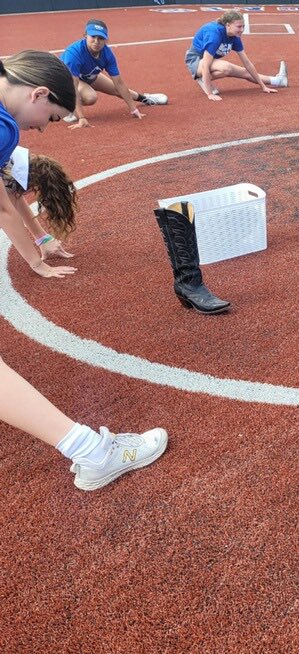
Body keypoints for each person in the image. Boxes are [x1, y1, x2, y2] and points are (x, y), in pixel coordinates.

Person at [0, 50, 167, 491]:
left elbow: (9, 197)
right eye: (51, 117)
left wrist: (40, 242)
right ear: (38, 93)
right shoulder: (4, 126)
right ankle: (93, 453)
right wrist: (36, 260)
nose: (41, 128)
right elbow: (3, 204)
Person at [61, 19, 168, 129]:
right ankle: (64, 105)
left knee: (116, 89)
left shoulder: (107, 54)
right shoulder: (73, 54)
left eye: (101, 38)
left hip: (87, 75)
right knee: (90, 97)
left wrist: (133, 109)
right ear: (85, 36)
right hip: (65, 81)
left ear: (106, 40)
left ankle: (145, 98)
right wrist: (82, 118)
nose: (96, 41)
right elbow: (73, 87)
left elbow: (119, 84)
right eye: (93, 37)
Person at [186, 11, 288, 100]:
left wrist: (263, 87)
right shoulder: (214, 35)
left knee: (244, 72)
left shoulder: (234, 37)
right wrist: (209, 93)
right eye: (239, 26)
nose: (242, 29)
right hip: (196, 60)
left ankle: (278, 81)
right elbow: (205, 65)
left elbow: (247, 63)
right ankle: (204, 80)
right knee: (226, 67)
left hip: (209, 61)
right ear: (228, 25)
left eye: (243, 26)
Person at [2, 146, 78, 247]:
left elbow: (14, 196)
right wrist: (34, 258)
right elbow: (5, 213)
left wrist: (42, 239)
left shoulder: (15, 160)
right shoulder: (7, 173)